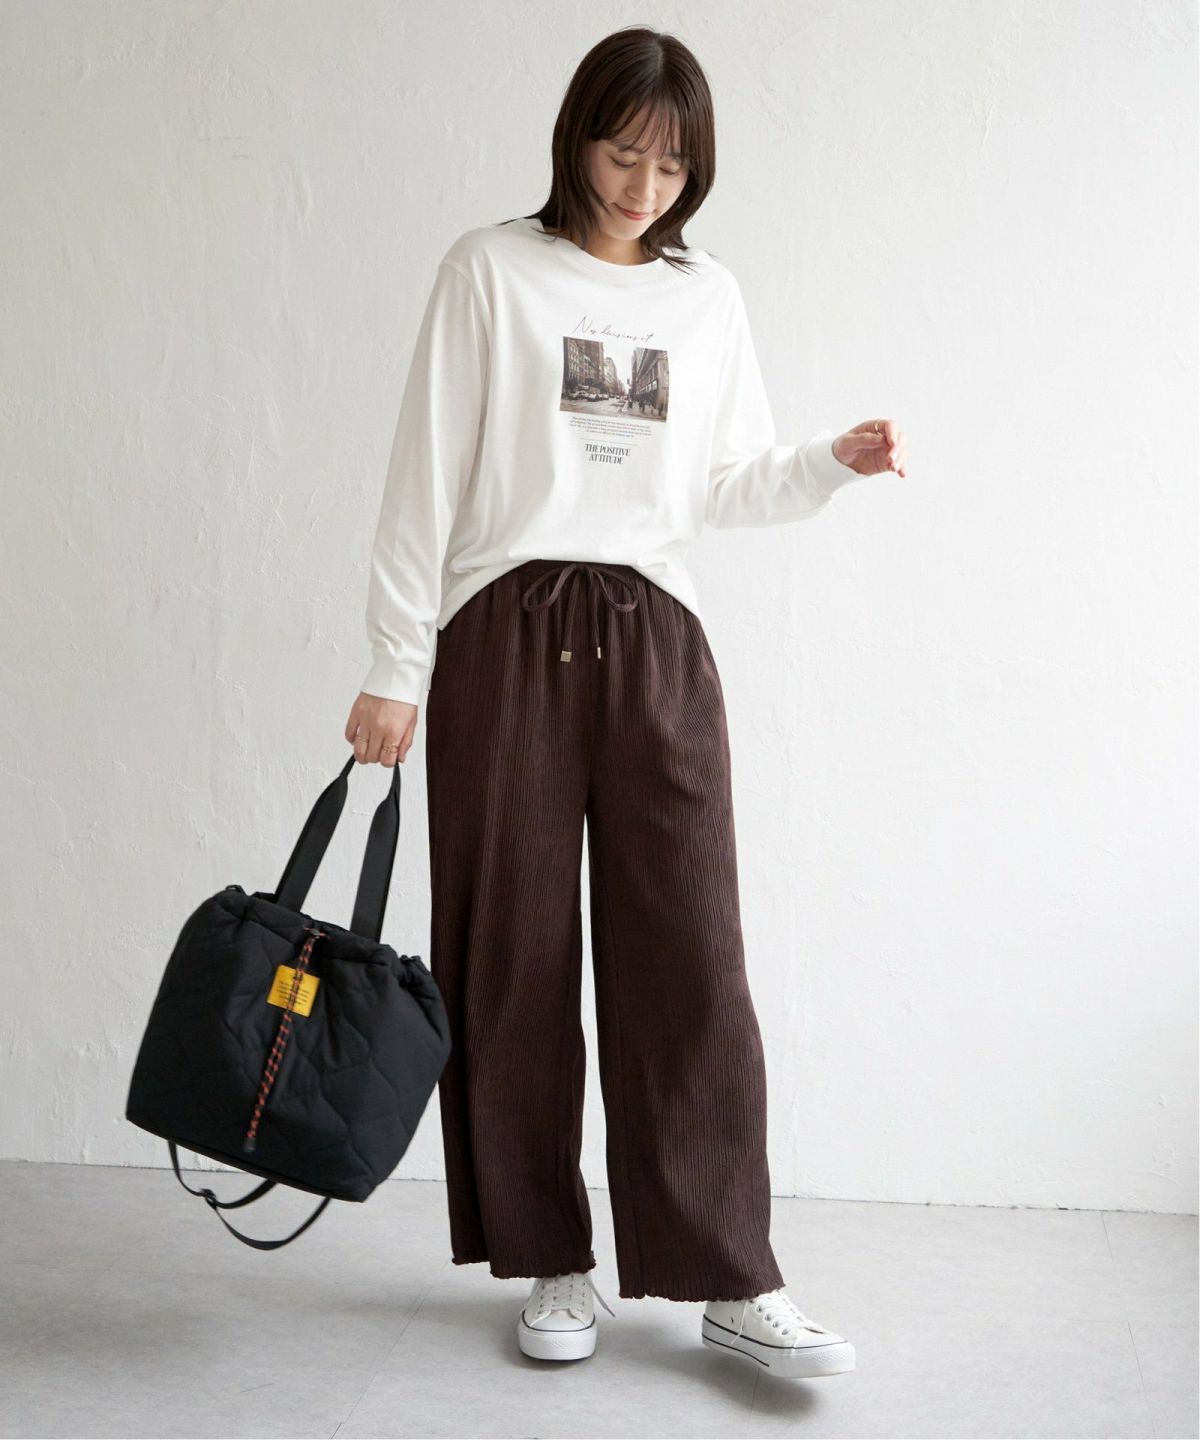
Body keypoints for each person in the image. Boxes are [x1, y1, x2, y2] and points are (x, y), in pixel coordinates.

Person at [343, 26, 906, 1380]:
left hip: (657, 636)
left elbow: (723, 486)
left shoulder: (707, 299)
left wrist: (826, 463)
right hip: (505, 631)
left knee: (691, 958)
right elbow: (424, 473)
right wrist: (394, 664)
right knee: (512, 957)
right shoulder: (490, 270)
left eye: (672, 163)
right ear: (575, 140)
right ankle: (551, 1257)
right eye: (623, 152)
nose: (645, 185)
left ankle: (731, 1274)